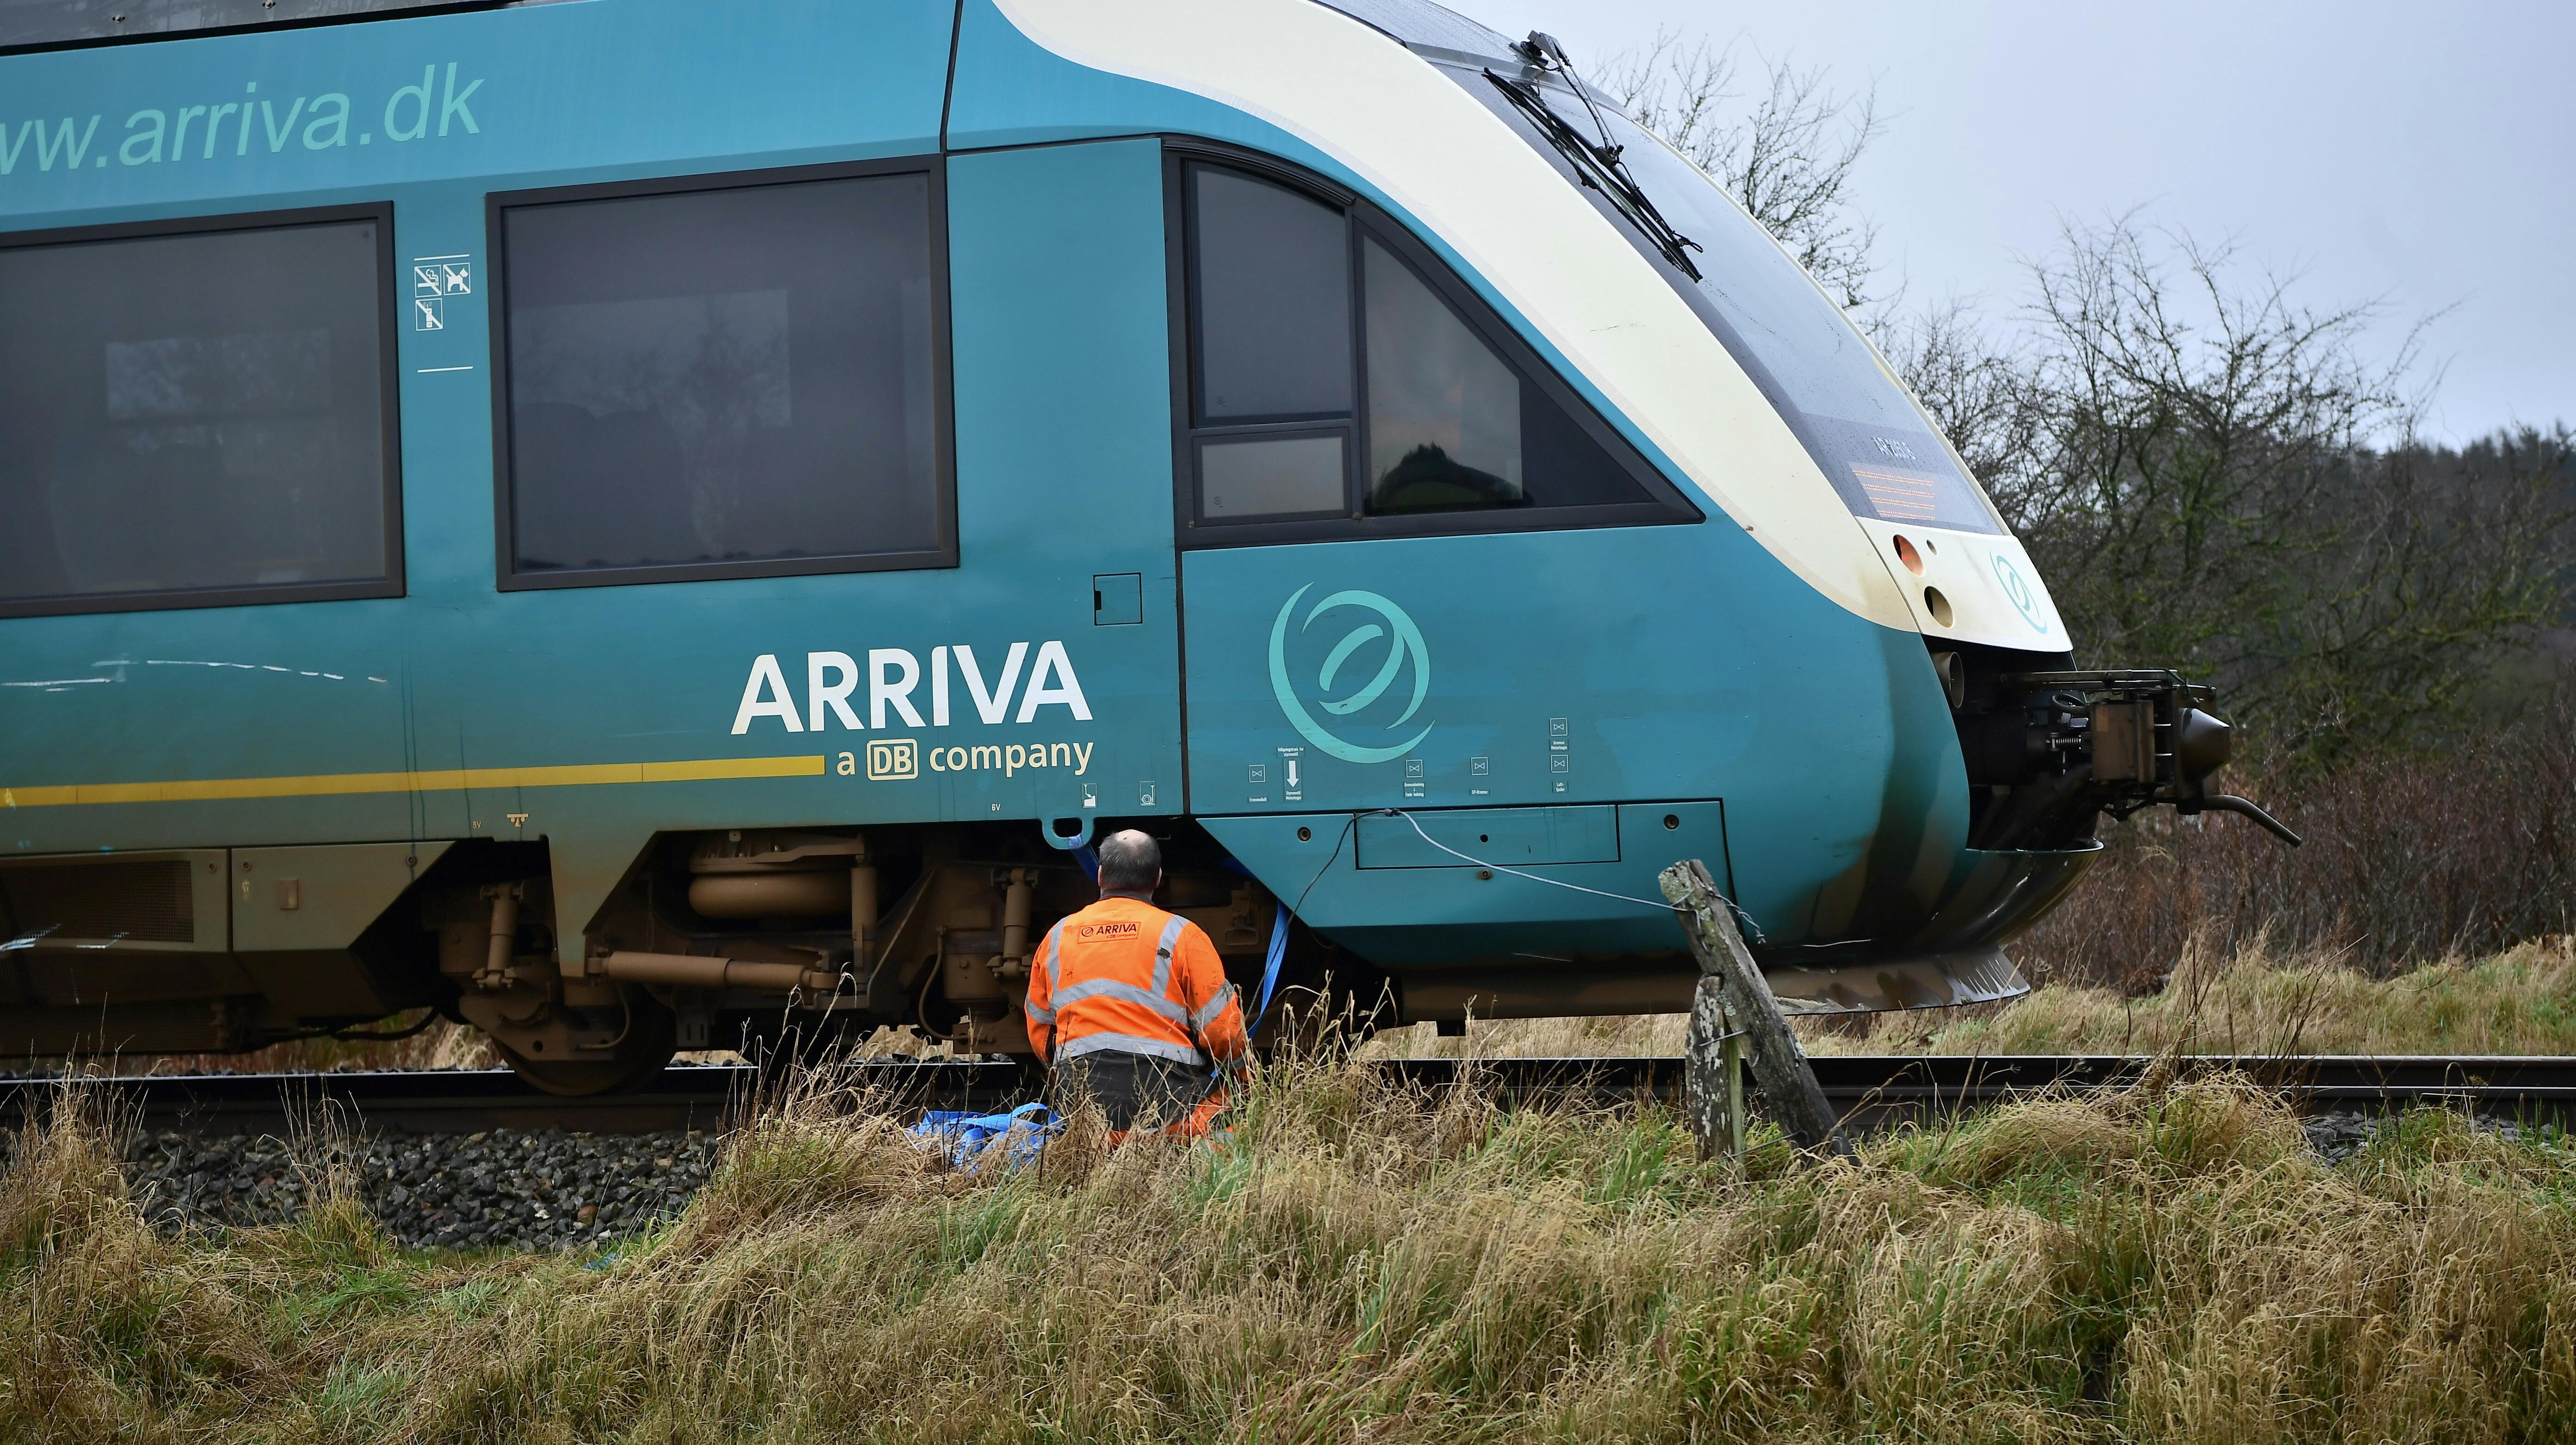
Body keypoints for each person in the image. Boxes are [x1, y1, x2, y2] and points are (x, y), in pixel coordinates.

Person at [1023, 829, 1249, 1140]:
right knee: (1240, 1121)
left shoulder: (1058, 936)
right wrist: (1246, 1080)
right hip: (1166, 1115)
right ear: (1158, 878)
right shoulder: (1182, 935)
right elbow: (1223, 1032)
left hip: (1085, 1119)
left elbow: (1040, 1032)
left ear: (1100, 875)